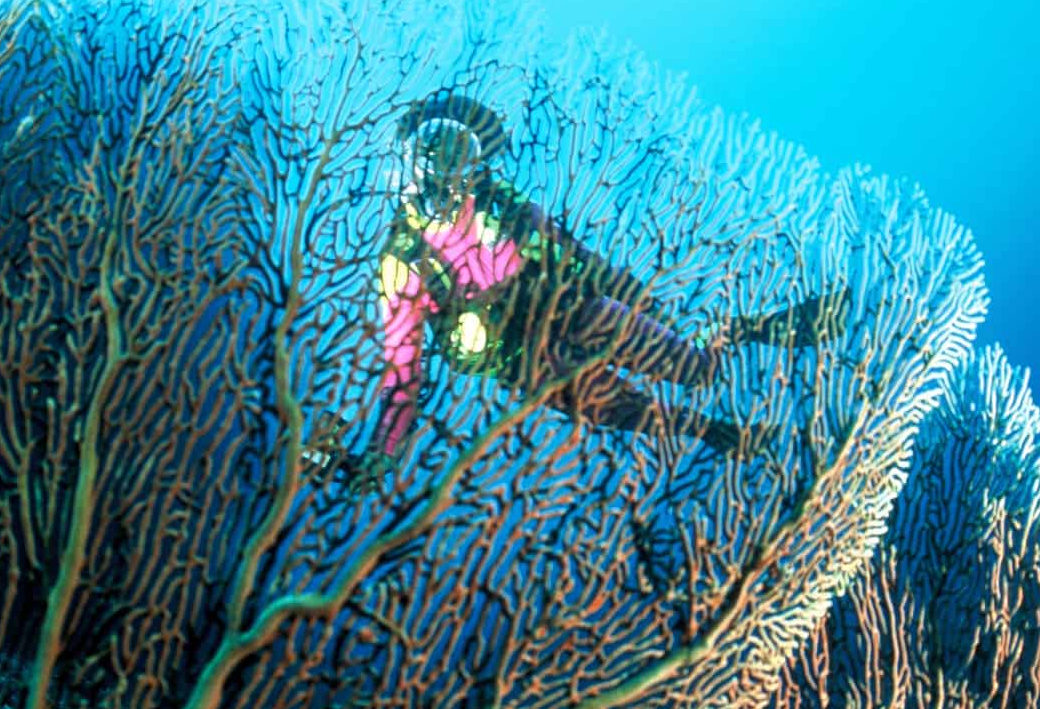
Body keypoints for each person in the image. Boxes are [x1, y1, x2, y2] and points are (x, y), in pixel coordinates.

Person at [328, 89, 847, 490]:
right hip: (524, 360)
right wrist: (377, 458)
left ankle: (740, 332)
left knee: (695, 368)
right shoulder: (404, 266)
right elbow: (403, 378)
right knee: (622, 409)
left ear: (470, 171)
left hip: (578, 310)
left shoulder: (501, 205)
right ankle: (712, 432)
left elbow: (580, 260)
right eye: (426, 169)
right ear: (406, 173)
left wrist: (656, 311)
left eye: (453, 169)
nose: (440, 185)